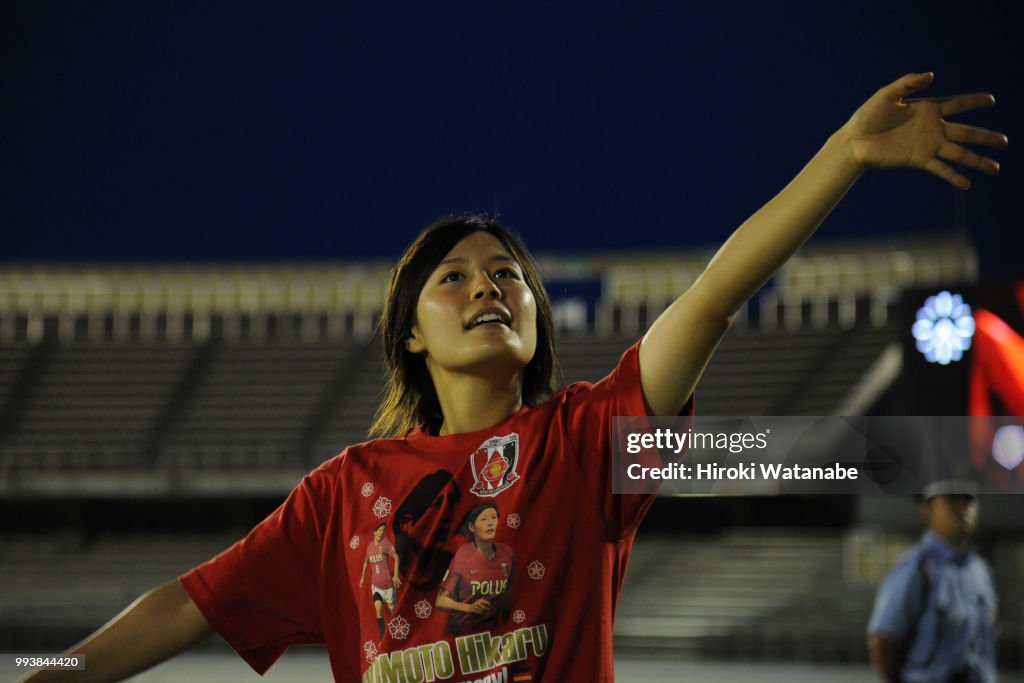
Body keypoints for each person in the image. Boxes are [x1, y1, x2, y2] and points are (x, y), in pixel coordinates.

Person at [20, 72, 1006, 682]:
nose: (488, 287)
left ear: (535, 322)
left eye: (509, 277)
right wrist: (42, 672)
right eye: (454, 277)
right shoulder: (341, 494)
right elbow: (183, 605)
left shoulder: (588, 443)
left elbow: (710, 297)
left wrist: (841, 155)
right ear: (409, 332)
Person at [867, 480, 998, 683]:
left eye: (969, 501)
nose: (963, 508)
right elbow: (883, 642)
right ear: (928, 509)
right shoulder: (916, 568)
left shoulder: (979, 570)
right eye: (952, 501)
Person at [436, 501, 516, 634]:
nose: (490, 523)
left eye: (493, 517)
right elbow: (440, 601)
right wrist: (470, 608)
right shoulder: (463, 556)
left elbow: (509, 591)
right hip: (463, 632)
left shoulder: (507, 553)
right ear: (471, 527)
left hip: (494, 633)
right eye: (484, 519)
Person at [359, 522, 402, 638]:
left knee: (393, 610)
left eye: (383, 530)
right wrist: (362, 577)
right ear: (374, 532)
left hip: (388, 586)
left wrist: (396, 575)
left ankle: (399, 636)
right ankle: (383, 638)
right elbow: (366, 562)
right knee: (379, 610)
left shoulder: (386, 544)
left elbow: (396, 557)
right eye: (380, 530)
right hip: (376, 586)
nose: (382, 532)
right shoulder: (369, 546)